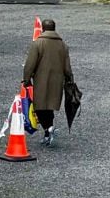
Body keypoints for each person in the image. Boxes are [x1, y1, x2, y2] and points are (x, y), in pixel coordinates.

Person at [22, 19, 73, 147]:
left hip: (41, 79)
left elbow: (30, 64)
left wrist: (27, 79)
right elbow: (67, 66)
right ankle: (48, 130)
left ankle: (48, 128)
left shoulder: (38, 43)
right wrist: (69, 79)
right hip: (57, 80)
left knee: (39, 106)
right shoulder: (63, 45)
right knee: (49, 106)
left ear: (43, 29)